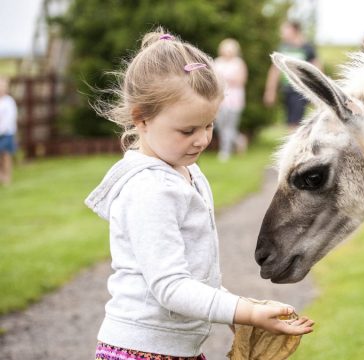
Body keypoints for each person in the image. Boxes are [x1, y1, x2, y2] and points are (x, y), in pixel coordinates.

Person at [85, 28, 314, 360]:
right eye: (187, 130)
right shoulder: (151, 190)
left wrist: (245, 309)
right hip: (140, 351)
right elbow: (170, 287)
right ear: (142, 119)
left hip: (175, 350)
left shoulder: (187, 172)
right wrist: (243, 312)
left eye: (209, 125)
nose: (202, 140)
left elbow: (194, 276)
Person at [263, 20, 319, 128]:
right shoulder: (283, 48)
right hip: (286, 89)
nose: (282, 33)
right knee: (289, 122)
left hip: (300, 90)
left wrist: (316, 91)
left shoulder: (307, 48)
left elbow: (316, 68)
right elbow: (275, 70)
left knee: (295, 122)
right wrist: (270, 90)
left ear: (294, 30)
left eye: (284, 30)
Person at [213, 38, 248, 162]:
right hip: (220, 98)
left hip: (234, 99)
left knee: (229, 126)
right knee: (219, 125)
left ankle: (225, 151)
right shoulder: (217, 62)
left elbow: (240, 80)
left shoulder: (239, 63)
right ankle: (239, 139)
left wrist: (225, 79)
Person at [0, 76, 18, 186]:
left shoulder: (9, 101)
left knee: (6, 155)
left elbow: (9, 119)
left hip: (7, 133)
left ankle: (7, 177)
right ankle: (3, 176)